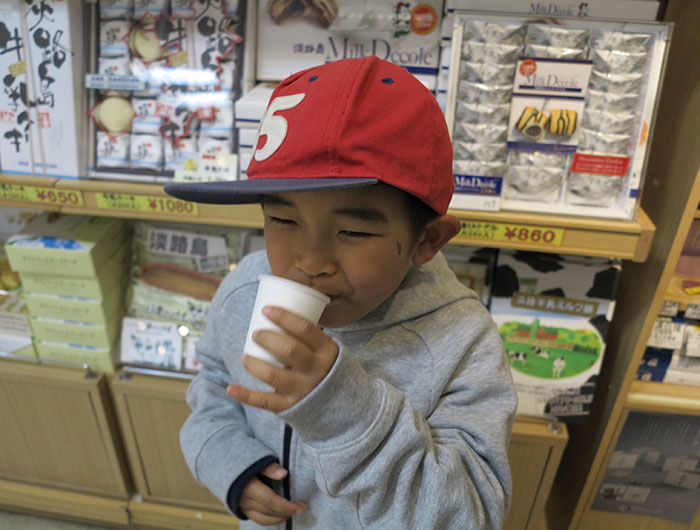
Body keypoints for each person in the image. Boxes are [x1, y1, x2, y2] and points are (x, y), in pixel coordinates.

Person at [164, 55, 517, 530]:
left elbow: (472, 516)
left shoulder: (460, 341)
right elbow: (211, 382)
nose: (309, 262)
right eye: (283, 221)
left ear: (427, 240)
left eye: (352, 231)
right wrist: (231, 465)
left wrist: (347, 414)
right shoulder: (246, 289)